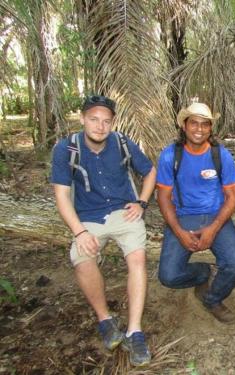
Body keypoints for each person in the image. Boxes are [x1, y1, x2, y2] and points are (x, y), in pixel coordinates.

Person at [51, 95, 156, 367]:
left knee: (137, 259)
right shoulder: (67, 149)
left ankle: (135, 331)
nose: (100, 126)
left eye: (106, 121)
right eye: (94, 120)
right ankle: (105, 320)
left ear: (113, 122)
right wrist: (79, 232)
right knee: (82, 259)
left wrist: (142, 203)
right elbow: (62, 196)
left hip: (125, 212)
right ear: (83, 119)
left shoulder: (122, 143)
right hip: (88, 218)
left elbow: (150, 171)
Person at [156, 102, 235, 323]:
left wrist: (213, 229)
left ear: (210, 128)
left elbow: (233, 197)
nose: (199, 129)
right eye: (194, 123)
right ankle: (202, 273)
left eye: (205, 124)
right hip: (183, 217)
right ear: (184, 127)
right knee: (168, 276)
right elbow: (163, 198)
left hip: (216, 216)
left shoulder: (220, 155)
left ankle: (212, 298)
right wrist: (179, 231)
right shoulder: (170, 155)